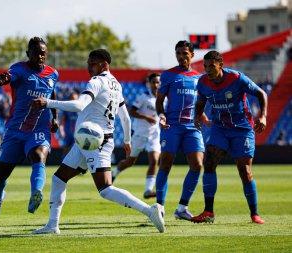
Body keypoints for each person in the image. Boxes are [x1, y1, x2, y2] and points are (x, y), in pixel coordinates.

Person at [29, 49, 164, 234]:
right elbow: (125, 117)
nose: (88, 67)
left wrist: (48, 103)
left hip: (95, 142)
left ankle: (150, 211)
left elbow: (79, 105)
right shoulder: (116, 84)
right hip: (87, 141)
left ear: (103, 64)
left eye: (92, 63)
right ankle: (52, 225)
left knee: (105, 189)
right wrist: (126, 139)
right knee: (59, 179)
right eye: (88, 62)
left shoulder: (97, 81)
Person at [192, 50, 268, 224]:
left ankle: (254, 214)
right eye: (205, 66)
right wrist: (198, 116)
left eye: (211, 66)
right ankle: (208, 212)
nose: (208, 70)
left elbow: (261, 94)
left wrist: (262, 116)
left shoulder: (237, 78)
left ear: (221, 65)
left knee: (244, 170)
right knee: (209, 163)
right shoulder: (203, 83)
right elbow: (201, 101)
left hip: (242, 129)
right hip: (220, 129)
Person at [0, 36, 59, 219]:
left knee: (39, 155)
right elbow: (0, 80)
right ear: (28, 54)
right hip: (15, 131)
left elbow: (53, 94)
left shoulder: (53, 74)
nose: (40, 57)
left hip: (39, 129)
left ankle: (36, 193)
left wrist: (55, 117)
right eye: (36, 53)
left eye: (43, 54)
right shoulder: (19, 69)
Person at [155, 40, 210, 221]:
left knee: (197, 164)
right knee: (166, 163)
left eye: (184, 53)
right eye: (178, 53)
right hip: (171, 125)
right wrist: (161, 115)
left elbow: (200, 102)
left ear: (192, 55)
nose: (181, 56)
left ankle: (181, 208)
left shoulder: (199, 78)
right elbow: (159, 101)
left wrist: (203, 118)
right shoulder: (168, 75)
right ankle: (159, 208)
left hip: (191, 127)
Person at [111, 73, 161, 199]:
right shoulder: (143, 97)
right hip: (139, 134)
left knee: (154, 160)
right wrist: (146, 117)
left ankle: (148, 190)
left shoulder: (163, 99)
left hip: (154, 134)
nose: (156, 85)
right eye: (154, 82)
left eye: (158, 82)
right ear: (149, 84)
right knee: (130, 162)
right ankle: (114, 174)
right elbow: (132, 111)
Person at [59, 90, 79, 156]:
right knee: (66, 149)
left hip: (77, 134)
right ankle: (63, 162)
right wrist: (61, 131)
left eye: (75, 99)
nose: (74, 100)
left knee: (76, 149)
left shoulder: (80, 109)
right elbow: (61, 122)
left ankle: (76, 165)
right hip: (68, 133)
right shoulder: (67, 109)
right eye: (72, 98)